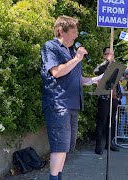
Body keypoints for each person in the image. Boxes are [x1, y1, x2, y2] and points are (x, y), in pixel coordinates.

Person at [41, 15, 101, 180]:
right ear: (61, 31)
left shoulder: (72, 52)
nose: (76, 36)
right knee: (59, 148)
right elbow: (57, 72)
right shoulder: (50, 47)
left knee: (66, 148)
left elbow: (76, 79)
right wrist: (76, 59)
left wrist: (94, 80)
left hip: (72, 104)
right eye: (73, 32)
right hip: (58, 104)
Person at [93, 47, 120, 155]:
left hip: (114, 98)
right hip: (104, 98)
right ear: (104, 55)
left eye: (111, 54)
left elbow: (117, 82)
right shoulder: (102, 66)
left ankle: (110, 143)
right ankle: (98, 145)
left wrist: (119, 94)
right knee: (101, 121)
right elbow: (96, 71)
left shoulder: (116, 67)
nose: (109, 55)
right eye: (107, 54)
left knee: (112, 121)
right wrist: (106, 62)